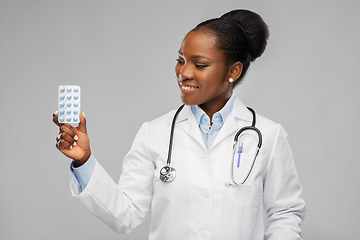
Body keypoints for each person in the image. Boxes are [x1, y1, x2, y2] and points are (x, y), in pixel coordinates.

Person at [53, 9, 306, 240]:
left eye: (200, 64)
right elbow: (125, 214)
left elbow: (285, 214)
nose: (183, 72)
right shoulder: (154, 133)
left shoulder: (268, 136)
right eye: (180, 59)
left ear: (234, 71)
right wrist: (84, 161)